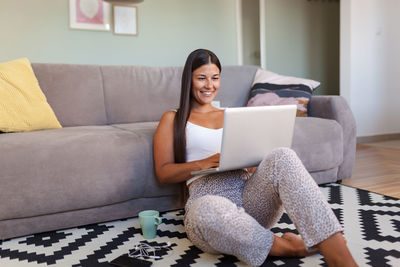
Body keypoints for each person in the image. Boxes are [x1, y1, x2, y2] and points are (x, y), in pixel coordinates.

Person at [153, 48, 357, 267]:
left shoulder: (231, 115)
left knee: (282, 155)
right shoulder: (172, 118)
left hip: (250, 198)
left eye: (215, 78)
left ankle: (340, 257)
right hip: (207, 201)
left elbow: (254, 163)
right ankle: (291, 247)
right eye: (201, 78)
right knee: (205, 211)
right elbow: (163, 172)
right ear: (189, 80)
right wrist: (202, 163)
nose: (209, 85)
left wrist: (252, 160)